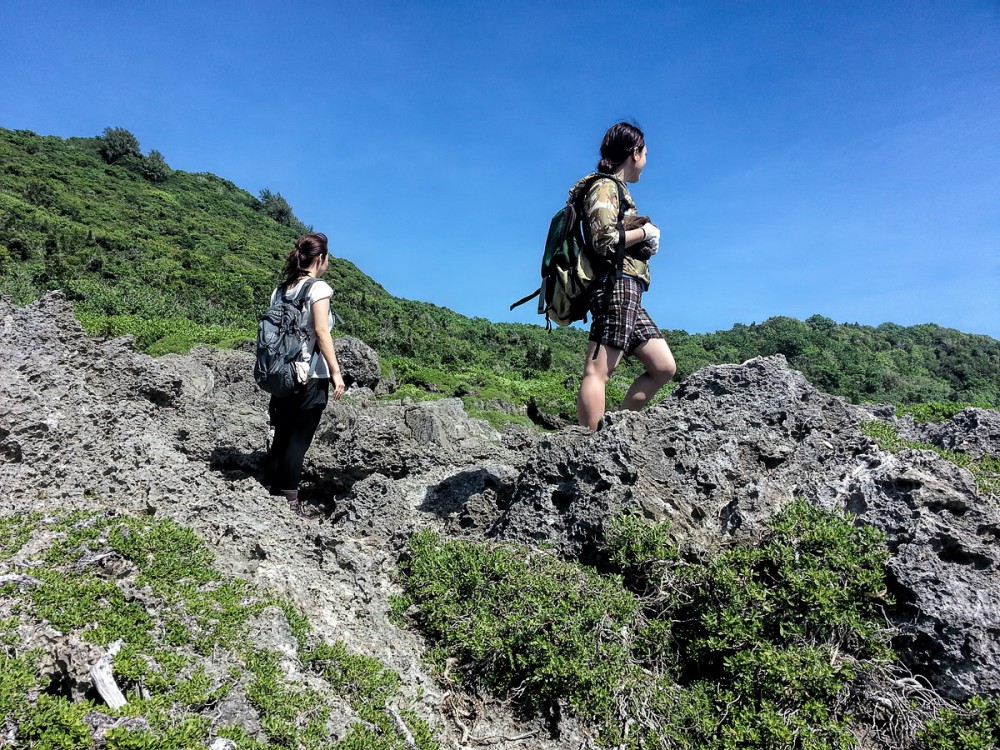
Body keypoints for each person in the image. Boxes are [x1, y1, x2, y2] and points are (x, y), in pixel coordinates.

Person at [576, 122, 676, 430]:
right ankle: (589, 443)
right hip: (614, 284)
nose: (646, 160)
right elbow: (603, 238)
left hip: (627, 286)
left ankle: (619, 431)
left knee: (663, 367)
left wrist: (641, 236)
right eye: (645, 153)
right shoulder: (605, 186)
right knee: (599, 370)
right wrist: (645, 232)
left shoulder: (616, 190)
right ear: (634, 153)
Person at [263, 232, 345, 514]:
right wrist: (336, 373)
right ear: (320, 258)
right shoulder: (318, 288)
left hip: (281, 374)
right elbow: (322, 331)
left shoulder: (280, 290)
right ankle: (289, 501)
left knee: (281, 436)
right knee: (298, 442)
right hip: (310, 376)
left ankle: (268, 492)